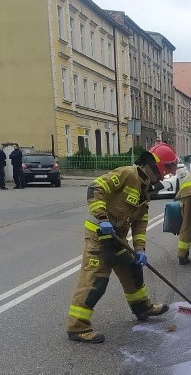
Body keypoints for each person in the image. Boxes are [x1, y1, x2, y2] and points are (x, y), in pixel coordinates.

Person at [66, 143, 179, 344]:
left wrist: (140, 250)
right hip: (99, 235)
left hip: (117, 236)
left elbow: (140, 223)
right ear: (159, 165)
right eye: (170, 166)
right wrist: (102, 218)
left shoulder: (146, 188)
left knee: (132, 268)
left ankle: (142, 307)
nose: (170, 172)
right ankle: (78, 327)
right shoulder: (128, 174)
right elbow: (96, 187)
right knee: (96, 280)